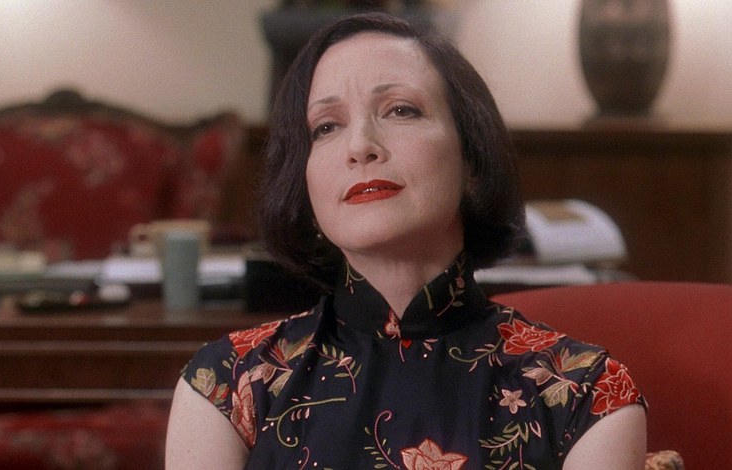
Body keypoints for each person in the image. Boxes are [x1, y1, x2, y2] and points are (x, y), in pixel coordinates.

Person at [166, 12, 646, 469]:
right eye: (326, 127)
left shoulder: (585, 393)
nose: (360, 146)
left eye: (400, 110)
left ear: (471, 160)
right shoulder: (227, 384)